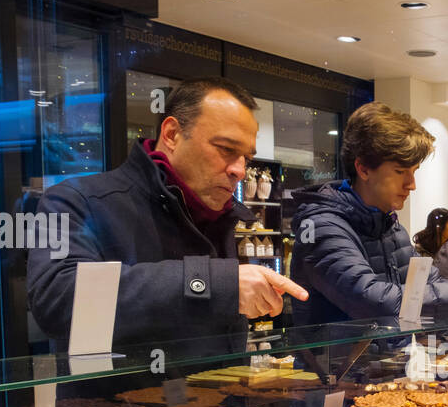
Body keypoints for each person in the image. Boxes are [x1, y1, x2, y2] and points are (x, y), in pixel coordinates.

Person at [27, 77, 306, 348]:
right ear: (172, 134)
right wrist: (218, 283)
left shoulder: (219, 213)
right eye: (226, 149)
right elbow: (58, 299)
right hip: (116, 396)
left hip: (215, 395)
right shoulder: (75, 200)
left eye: (246, 157)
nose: (240, 170)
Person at [289, 102, 448, 324]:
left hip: (390, 359)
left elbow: (432, 283)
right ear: (363, 169)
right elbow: (371, 300)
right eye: (400, 172)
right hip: (338, 360)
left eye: (414, 172)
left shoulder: (391, 228)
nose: (411, 184)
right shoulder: (320, 226)